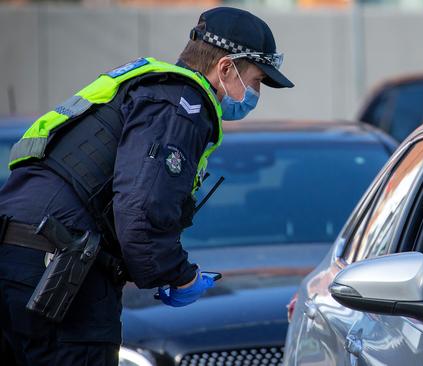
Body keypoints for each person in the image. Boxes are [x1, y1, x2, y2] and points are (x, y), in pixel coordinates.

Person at [0, 7, 293, 366]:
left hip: (17, 261)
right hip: (58, 275)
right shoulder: (181, 104)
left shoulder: (147, 88)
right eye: (257, 79)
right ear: (226, 68)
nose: (256, 92)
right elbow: (142, 209)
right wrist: (180, 276)